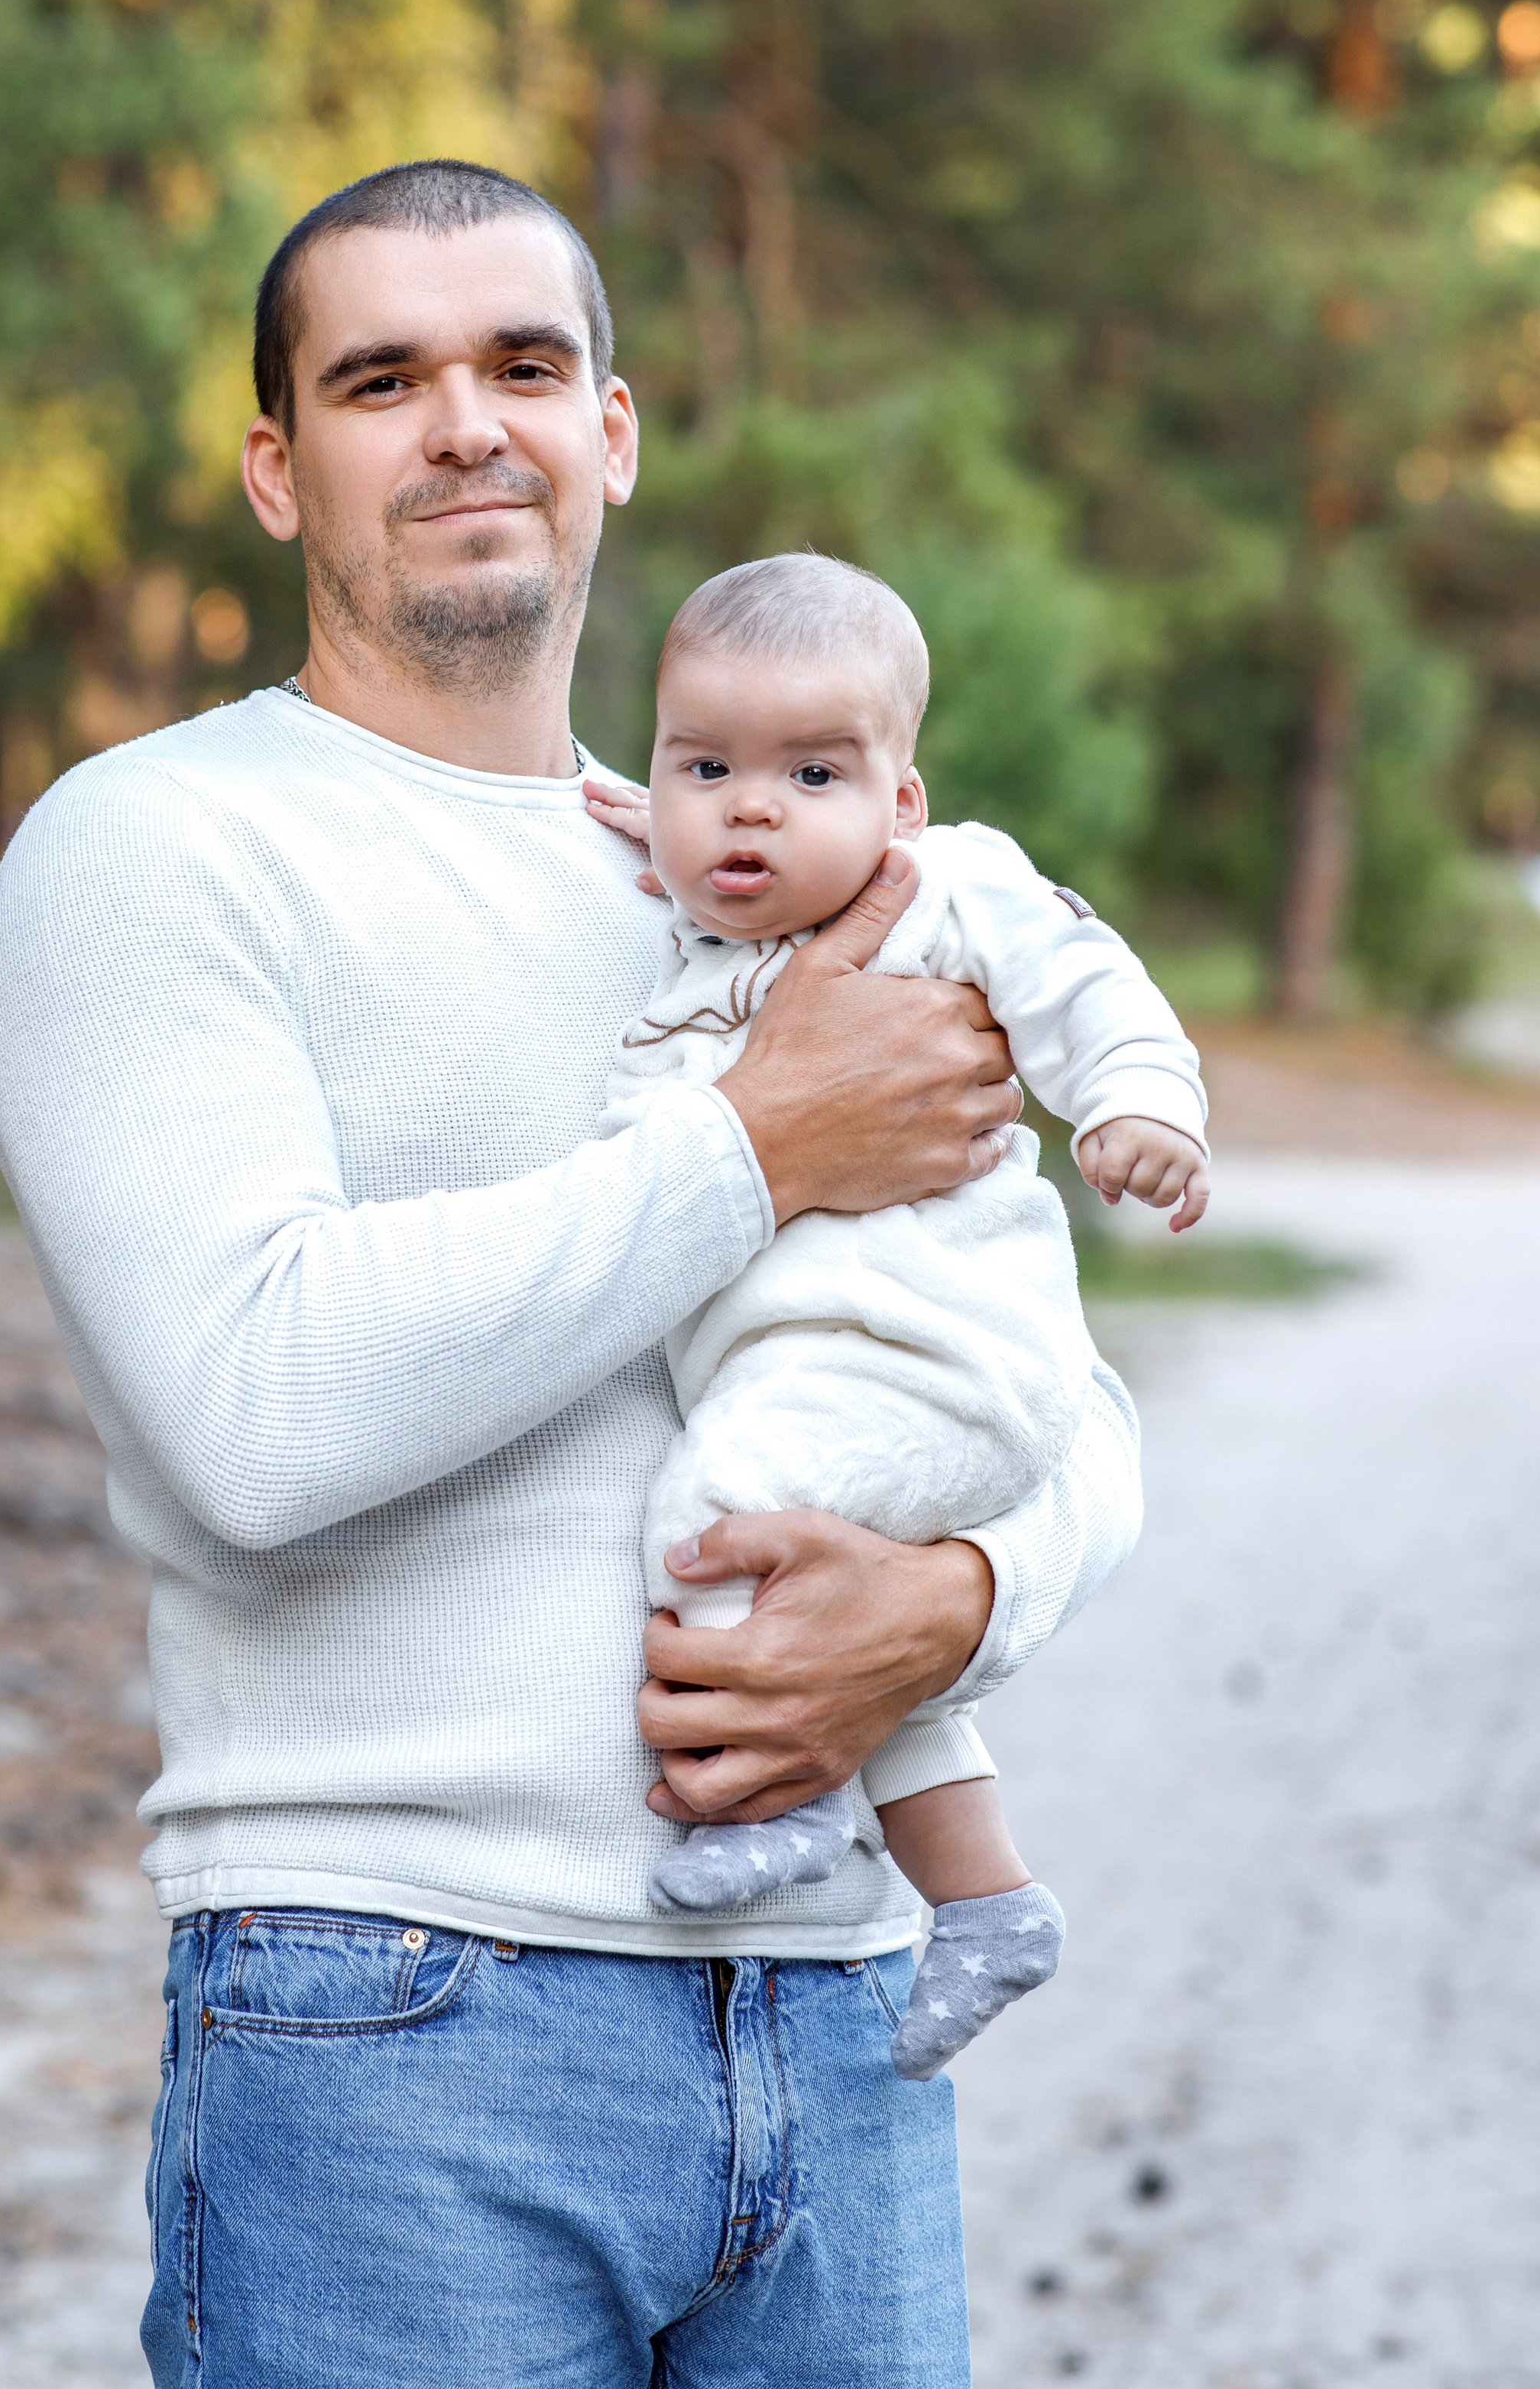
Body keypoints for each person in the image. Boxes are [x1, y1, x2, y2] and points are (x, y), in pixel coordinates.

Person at [0, 158, 1145, 2389]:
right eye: (379, 377)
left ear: (614, 431)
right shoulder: (159, 849)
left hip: (836, 2012)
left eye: (522, 364)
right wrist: (751, 1147)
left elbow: (1063, 1401)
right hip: (394, 2016)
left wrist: (962, 1604)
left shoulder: (765, 878)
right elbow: (257, 1412)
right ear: (274, 465)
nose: (464, 424)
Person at [585, 550, 1208, 2079]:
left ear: (901, 803)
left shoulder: (942, 891)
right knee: (825, 1592)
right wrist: (636, 823)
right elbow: (656, 829)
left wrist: (1138, 1106)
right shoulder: (696, 919)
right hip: (841, 1374)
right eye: (704, 768)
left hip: (936, 1357)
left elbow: (1084, 981)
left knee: (715, 1518)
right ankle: (984, 1900)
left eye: (810, 772)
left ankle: (772, 1804)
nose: (750, 808)